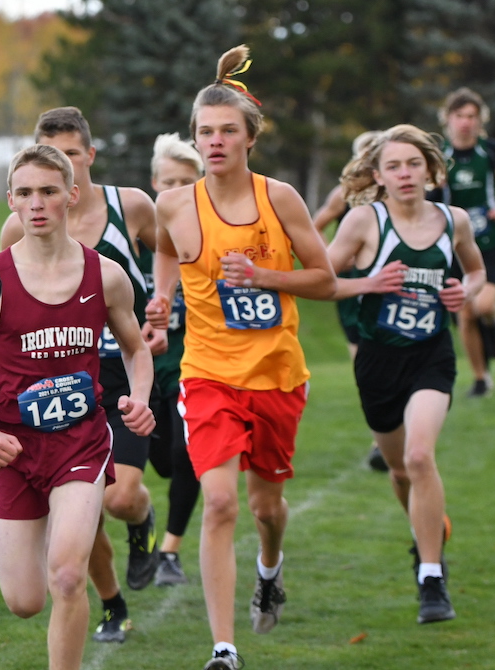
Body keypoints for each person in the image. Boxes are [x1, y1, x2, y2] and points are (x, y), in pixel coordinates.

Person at [146, 45, 335, 670]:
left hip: (277, 374)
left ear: (250, 137)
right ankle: (224, 650)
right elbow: (167, 248)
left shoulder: (278, 198)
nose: (216, 141)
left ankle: (270, 566)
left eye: (228, 131)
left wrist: (263, 277)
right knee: (221, 502)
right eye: (205, 132)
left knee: (265, 508)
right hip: (207, 374)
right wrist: (163, 296)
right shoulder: (174, 204)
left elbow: (325, 278)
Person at [0, 144, 155, 670]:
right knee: (25, 601)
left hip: (81, 442)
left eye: (47, 191)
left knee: (67, 576)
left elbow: (135, 347)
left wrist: (139, 398)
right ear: (10, 201)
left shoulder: (105, 275)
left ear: (72, 194)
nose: (37, 203)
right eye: (25, 193)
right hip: (14, 450)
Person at [0, 107, 163, 643]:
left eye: (68, 156)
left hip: (109, 382)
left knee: (116, 500)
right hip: (48, 385)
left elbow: (174, 250)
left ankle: (140, 526)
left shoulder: (130, 206)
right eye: (28, 188)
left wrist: (165, 297)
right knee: (64, 547)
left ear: (84, 163)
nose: (39, 197)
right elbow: (5, 311)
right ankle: (111, 599)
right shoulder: (16, 229)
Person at [327, 124, 486, 625]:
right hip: (377, 362)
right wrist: (368, 283)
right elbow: (323, 280)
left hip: (430, 355)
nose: (405, 174)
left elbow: (477, 272)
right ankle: (426, 532)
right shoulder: (362, 222)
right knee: (400, 470)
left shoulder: (452, 220)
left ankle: (432, 577)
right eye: (394, 166)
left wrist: (468, 294)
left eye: (414, 164)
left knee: (420, 456)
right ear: (378, 175)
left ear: (431, 170)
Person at [434, 87, 495, 397]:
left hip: (488, 242)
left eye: (472, 116)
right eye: (460, 116)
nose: (466, 122)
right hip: (452, 247)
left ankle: (494, 324)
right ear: (448, 119)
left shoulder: (491, 151)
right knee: (465, 313)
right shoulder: (439, 156)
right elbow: (427, 198)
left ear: (480, 120)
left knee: (482, 304)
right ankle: (480, 377)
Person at [144, 132, 204, 586]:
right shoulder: (135, 239)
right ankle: (142, 520)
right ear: (154, 183)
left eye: (187, 181)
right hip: (144, 371)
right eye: (169, 182)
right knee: (162, 462)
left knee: (187, 456)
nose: (177, 190)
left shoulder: (208, 240)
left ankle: (169, 549)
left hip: (196, 366)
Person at [312, 130, 388, 473]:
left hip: (392, 283)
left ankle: (393, 431)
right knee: (366, 365)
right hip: (353, 287)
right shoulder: (344, 194)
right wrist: (331, 258)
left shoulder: (396, 194)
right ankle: (381, 438)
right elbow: (313, 225)